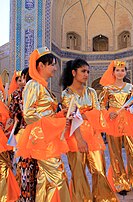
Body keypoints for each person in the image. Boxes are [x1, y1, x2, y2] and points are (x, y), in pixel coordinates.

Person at [17, 47, 71, 201]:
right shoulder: (33, 85)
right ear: (41, 66)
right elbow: (29, 114)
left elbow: (47, 113)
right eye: (52, 64)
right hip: (42, 139)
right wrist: (56, 123)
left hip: (48, 137)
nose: (55, 68)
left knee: (45, 178)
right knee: (58, 177)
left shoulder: (42, 87)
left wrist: (61, 115)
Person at [60, 58, 118, 201]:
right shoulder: (66, 94)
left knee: (99, 170)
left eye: (88, 71)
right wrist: (80, 139)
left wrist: (82, 114)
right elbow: (71, 118)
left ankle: (103, 199)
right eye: (83, 71)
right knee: (78, 173)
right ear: (74, 73)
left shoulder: (91, 92)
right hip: (75, 137)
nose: (86, 74)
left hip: (93, 135)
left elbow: (97, 113)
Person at [99, 60, 133, 195]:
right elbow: (101, 105)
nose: (120, 73)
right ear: (113, 72)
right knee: (115, 152)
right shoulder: (107, 88)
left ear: (126, 72)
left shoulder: (131, 87)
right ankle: (120, 182)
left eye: (122, 70)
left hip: (128, 119)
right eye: (117, 70)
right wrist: (108, 113)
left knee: (132, 150)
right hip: (113, 120)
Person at [7, 68, 39, 201]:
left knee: (32, 168)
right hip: (31, 135)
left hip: (32, 134)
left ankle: (32, 197)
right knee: (30, 167)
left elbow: (12, 113)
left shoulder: (34, 92)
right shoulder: (20, 94)